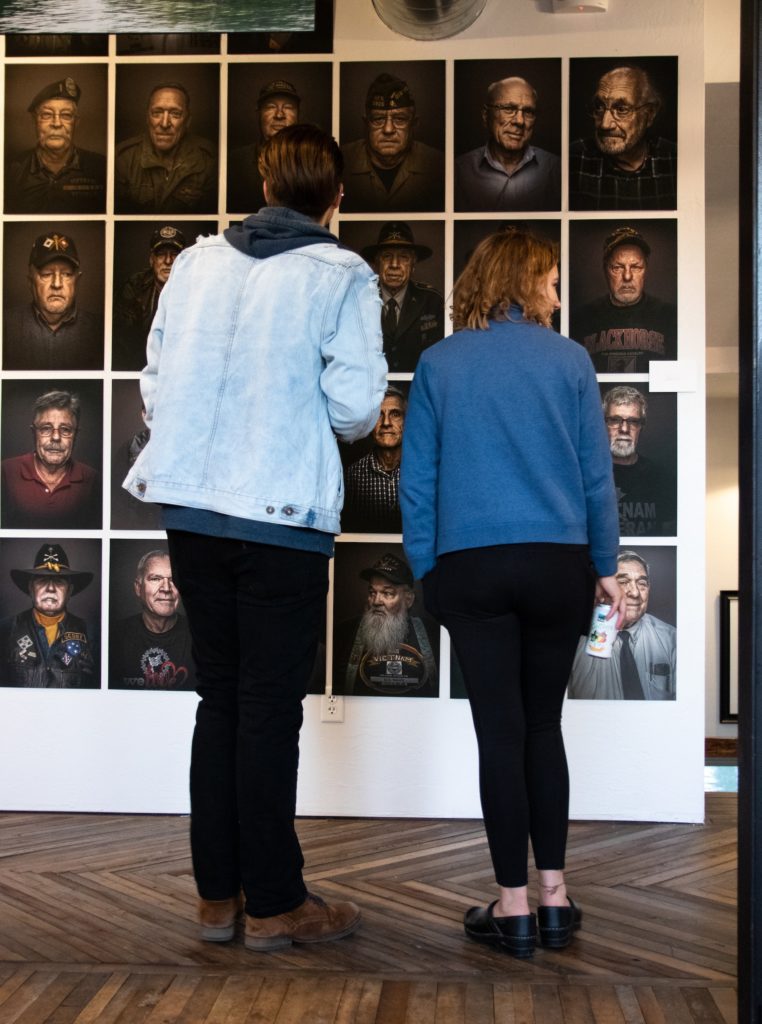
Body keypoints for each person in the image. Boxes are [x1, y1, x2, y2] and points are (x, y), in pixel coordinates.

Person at [124, 124, 386, 949]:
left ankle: (216, 898)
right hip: (280, 516)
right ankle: (274, 901)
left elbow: (155, 383)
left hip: (192, 510)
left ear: (266, 182)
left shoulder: (198, 262)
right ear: (335, 198)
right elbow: (355, 410)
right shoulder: (342, 273)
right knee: (269, 709)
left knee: (221, 700)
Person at [400, 227, 624, 958]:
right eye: (552, 281)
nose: (559, 296)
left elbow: (420, 480)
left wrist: (426, 567)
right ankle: (556, 898)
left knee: (498, 732)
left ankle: (514, 908)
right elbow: (596, 476)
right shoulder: (571, 361)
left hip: (472, 567)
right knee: (542, 728)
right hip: (558, 565)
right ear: (523, 282)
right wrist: (606, 563)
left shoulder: (438, 363)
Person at [568, 550, 676, 701]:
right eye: (624, 582)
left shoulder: (672, 639)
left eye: (642, 584)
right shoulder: (573, 638)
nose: (635, 593)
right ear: (605, 587)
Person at [571, 226, 677, 372]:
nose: (627, 277)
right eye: (618, 268)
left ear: (646, 270)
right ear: (605, 270)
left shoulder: (671, 318)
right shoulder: (579, 320)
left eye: (636, 267)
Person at [569, 66, 676, 210]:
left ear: (649, 114)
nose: (605, 124)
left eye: (621, 109)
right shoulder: (571, 158)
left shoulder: (675, 159)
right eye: (600, 107)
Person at [333, 553, 438, 697]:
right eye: (372, 592)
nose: (376, 601)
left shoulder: (435, 635)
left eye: (387, 593)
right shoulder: (343, 634)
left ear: (408, 599)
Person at [341, 73, 444, 213]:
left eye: (400, 119)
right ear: (366, 124)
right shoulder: (339, 162)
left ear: (414, 124)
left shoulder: (439, 165)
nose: (388, 129)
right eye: (378, 119)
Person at [455, 76, 560, 212]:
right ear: (486, 115)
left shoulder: (557, 169)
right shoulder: (458, 171)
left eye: (528, 112)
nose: (520, 121)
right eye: (509, 109)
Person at [0, 542, 97, 688]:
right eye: (42, 580)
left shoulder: (92, 634)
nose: (51, 588)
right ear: (31, 588)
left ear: (69, 591)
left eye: (59, 582)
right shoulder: (5, 630)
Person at [3, 231, 102, 370]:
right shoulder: (5, 327)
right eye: (47, 274)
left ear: (77, 281)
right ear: (30, 281)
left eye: (66, 274)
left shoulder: (102, 331)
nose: (57, 284)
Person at [5, 76, 106, 213]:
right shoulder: (10, 171)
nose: (56, 123)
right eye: (47, 115)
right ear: (35, 121)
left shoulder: (102, 168)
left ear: (76, 123)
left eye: (66, 115)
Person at [2, 389, 100, 529]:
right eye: (46, 428)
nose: (55, 437)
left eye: (65, 429)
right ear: (33, 432)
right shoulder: (5, 472)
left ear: (76, 434)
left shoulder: (93, 480)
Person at [115, 82, 217, 213]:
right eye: (157, 113)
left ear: (187, 121)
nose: (164, 123)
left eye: (175, 114)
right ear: (147, 118)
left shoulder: (210, 159)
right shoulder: (123, 158)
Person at [360, 222, 444, 371]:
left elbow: (440, 359)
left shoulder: (432, 301)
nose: (394, 264)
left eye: (403, 257)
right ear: (376, 262)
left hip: (416, 391)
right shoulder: (359, 300)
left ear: (413, 263)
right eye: (387, 256)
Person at [109, 550, 196, 690]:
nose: (166, 588)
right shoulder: (114, 636)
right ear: (138, 588)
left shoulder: (200, 636)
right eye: (156, 579)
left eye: (173, 580)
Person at [602, 385, 676, 536]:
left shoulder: (661, 478)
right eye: (615, 420)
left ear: (641, 426)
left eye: (633, 421)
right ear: (603, 423)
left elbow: (671, 534)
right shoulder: (586, 475)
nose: (624, 429)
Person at [112, 225, 188, 370]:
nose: (167, 261)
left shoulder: (197, 288)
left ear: (184, 260)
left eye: (174, 254)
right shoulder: (134, 288)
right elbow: (125, 344)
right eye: (161, 254)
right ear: (152, 259)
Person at [227, 80, 300, 212]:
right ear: (258, 113)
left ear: (298, 115)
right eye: (271, 107)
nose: (279, 115)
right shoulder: (234, 162)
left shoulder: (313, 162)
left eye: (288, 107)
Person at [344, 387, 407, 533]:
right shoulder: (352, 477)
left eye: (395, 414)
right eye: (378, 414)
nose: (386, 423)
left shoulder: (424, 473)